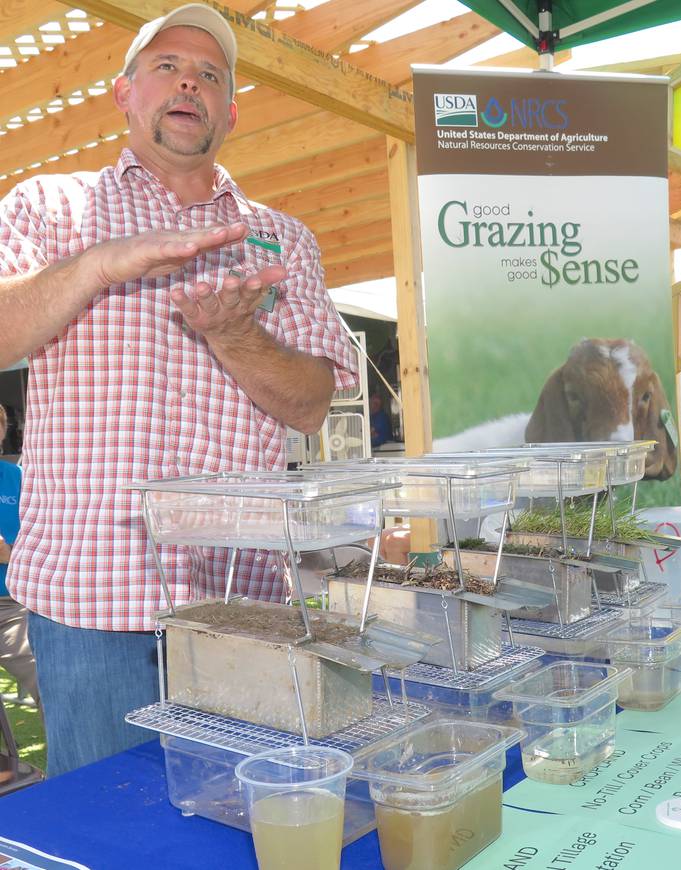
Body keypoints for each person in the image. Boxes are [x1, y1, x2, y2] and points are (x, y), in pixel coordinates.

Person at [0, 4, 357, 777]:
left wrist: (234, 334)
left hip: (244, 601)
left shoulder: (281, 238)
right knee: (107, 840)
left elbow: (310, 404)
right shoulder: (49, 207)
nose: (188, 80)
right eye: (166, 65)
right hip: (94, 600)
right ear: (124, 94)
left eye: (209, 73)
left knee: (244, 820)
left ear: (229, 111)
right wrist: (97, 265)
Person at [0, 405, 39, 707]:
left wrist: (9, 555)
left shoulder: (21, 479)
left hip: (11, 606)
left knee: (48, 682)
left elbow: (45, 546)